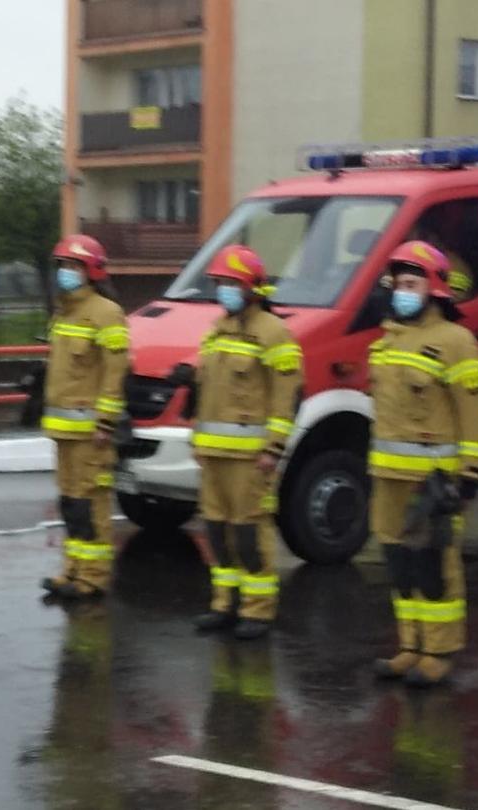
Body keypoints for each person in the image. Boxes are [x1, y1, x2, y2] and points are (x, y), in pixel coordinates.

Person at [365, 241, 478, 688]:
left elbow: (474, 412)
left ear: (433, 288)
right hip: (388, 478)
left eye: (411, 283)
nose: (402, 291)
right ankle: (410, 646)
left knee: (434, 566)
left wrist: (472, 473)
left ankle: (439, 650)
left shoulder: (455, 342)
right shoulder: (385, 342)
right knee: (400, 563)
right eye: (398, 284)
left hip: (433, 481)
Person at [188, 245, 301, 641]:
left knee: (250, 535)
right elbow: (208, 395)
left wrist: (274, 448)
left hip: (251, 459)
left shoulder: (274, 333)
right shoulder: (216, 332)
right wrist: (198, 441)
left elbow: (285, 398)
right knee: (217, 533)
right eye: (219, 283)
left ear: (253, 287)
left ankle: (257, 609)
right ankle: (225, 603)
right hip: (214, 455)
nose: (224, 291)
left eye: (230, 284)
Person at [36, 235, 129, 600]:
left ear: (90, 271)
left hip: (91, 432)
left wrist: (106, 420)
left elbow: (114, 371)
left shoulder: (106, 313)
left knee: (92, 504)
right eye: (62, 266)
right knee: (71, 504)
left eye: (72, 266)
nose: (65, 273)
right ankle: (72, 569)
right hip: (64, 431)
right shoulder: (64, 312)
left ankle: (93, 577)